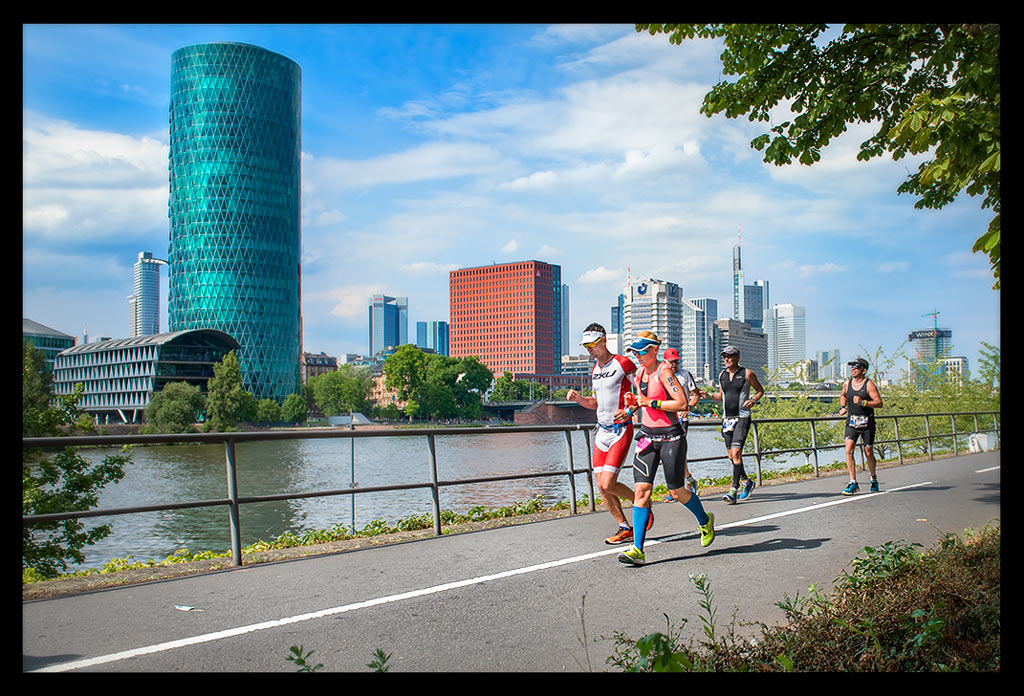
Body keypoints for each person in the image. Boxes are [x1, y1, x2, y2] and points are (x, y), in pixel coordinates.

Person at [617, 331, 715, 566]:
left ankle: (705, 520)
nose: (638, 356)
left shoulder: (665, 372)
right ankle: (637, 550)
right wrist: (629, 410)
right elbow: (641, 402)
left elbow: (681, 403)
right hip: (647, 438)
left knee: (677, 492)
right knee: (641, 492)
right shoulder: (640, 374)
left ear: (654, 350)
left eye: (641, 351)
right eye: (634, 352)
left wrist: (650, 402)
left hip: (671, 437)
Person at [566, 323, 651, 545]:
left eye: (592, 345)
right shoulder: (595, 370)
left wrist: (630, 411)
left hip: (620, 430)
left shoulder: (623, 363)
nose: (589, 349)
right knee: (601, 485)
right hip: (601, 432)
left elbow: (644, 392)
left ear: (603, 340)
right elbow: (595, 403)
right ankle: (624, 527)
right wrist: (578, 399)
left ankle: (642, 502)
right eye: (586, 346)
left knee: (607, 483)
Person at [704, 346, 765, 504]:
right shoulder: (722, 375)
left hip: (742, 417)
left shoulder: (747, 373)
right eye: (724, 356)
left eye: (730, 356)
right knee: (732, 455)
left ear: (737, 357)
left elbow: (760, 390)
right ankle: (747, 481)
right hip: (727, 419)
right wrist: (708, 396)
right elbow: (721, 396)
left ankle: (733, 489)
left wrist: (753, 400)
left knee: (737, 452)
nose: (726, 359)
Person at [661, 348, 705, 499]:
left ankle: (679, 487)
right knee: (666, 456)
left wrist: (688, 407)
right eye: (671, 362)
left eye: (676, 362)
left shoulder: (685, 374)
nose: (674, 364)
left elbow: (696, 395)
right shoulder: (660, 375)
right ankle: (682, 483)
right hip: (665, 420)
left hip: (681, 419)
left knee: (676, 453)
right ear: (665, 362)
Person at [838, 357, 883, 495]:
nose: (853, 369)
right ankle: (853, 482)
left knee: (868, 451)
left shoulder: (869, 385)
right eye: (851, 366)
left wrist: (864, 403)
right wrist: (842, 407)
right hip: (852, 422)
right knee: (849, 449)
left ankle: (873, 478)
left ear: (864, 370)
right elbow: (843, 395)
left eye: (856, 366)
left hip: (867, 423)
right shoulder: (847, 383)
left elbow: (879, 403)